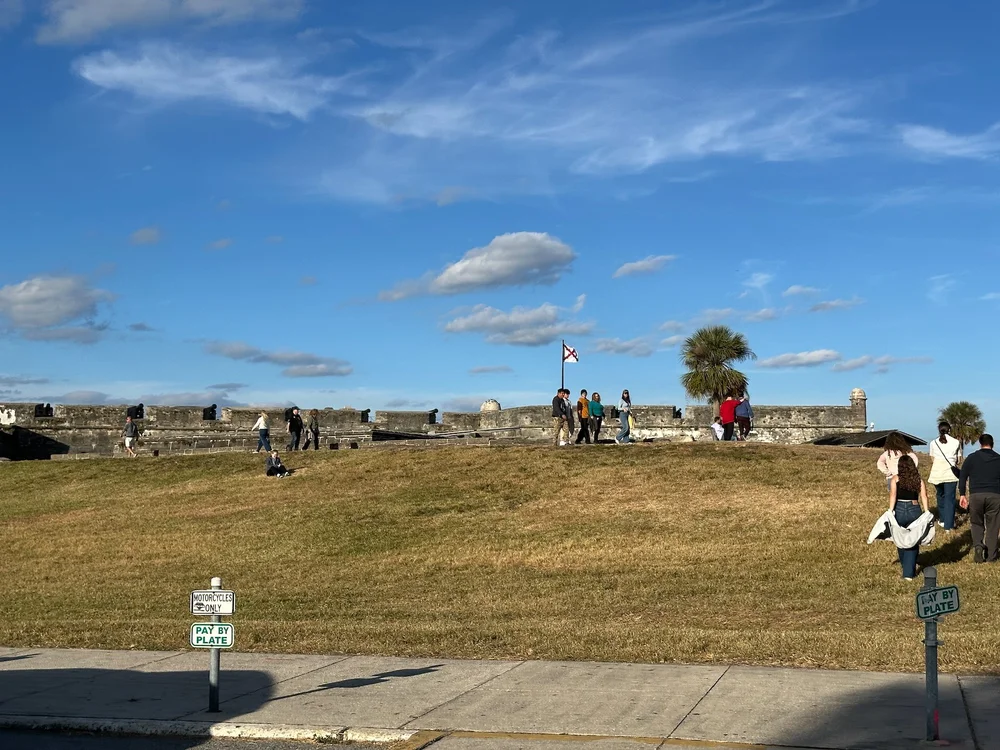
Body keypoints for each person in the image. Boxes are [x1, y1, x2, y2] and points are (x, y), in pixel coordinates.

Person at [959, 434, 1000, 563]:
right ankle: (991, 556)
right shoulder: (998, 459)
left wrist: (962, 494)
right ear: (992, 444)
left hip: (976, 495)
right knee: (993, 526)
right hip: (995, 495)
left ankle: (978, 546)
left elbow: (963, 476)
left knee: (977, 523)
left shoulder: (972, 458)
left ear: (980, 444)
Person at [889, 455, 930, 580]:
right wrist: (927, 511)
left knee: (900, 538)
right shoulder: (918, 480)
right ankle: (909, 572)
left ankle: (905, 565)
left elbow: (893, 496)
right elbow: (924, 496)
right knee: (913, 540)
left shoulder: (895, 479)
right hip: (914, 508)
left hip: (899, 508)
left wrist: (890, 511)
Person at [928, 421, 961, 532]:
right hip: (950, 474)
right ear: (949, 430)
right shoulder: (956, 442)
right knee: (950, 499)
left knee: (940, 496)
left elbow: (932, 458)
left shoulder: (933, 443)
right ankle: (949, 525)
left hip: (937, 473)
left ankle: (942, 520)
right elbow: (958, 460)